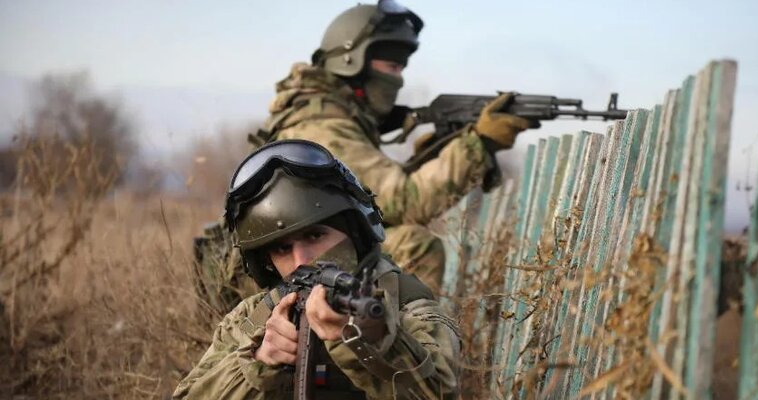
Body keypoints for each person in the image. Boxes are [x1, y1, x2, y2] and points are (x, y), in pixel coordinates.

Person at [244, 0, 529, 294]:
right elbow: (404, 204)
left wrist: (429, 158)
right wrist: (478, 145)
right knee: (414, 246)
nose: (399, 78)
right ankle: (414, 338)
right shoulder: (325, 125)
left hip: (303, 250)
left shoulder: (326, 115)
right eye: (392, 66)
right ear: (353, 62)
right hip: (288, 266)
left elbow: (365, 202)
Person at [174, 140, 461, 399]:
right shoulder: (254, 318)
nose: (301, 260)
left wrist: (369, 341)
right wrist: (259, 363)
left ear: (355, 232)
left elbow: (439, 393)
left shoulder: (410, 307)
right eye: (282, 249)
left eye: (314, 236)